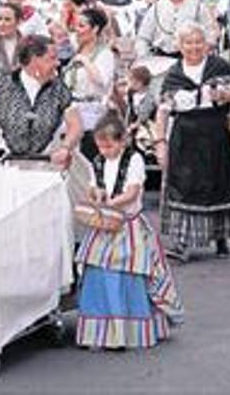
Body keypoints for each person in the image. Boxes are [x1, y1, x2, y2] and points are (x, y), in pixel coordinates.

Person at [155, 21, 230, 262]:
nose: (194, 47)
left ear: (207, 44)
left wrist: (227, 94)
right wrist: (160, 143)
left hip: (218, 135)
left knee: (218, 186)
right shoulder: (174, 75)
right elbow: (163, 111)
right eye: (188, 43)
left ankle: (220, 236)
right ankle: (181, 242)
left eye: (198, 42)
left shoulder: (220, 66)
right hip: (185, 138)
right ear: (179, 46)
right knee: (184, 189)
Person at [76, 113, 183, 350]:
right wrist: (97, 196)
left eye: (109, 146)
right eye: (101, 146)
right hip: (104, 224)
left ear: (122, 141)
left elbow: (133, 192)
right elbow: (94, 187)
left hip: (128, 225)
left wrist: (110, 203)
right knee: (97, 271)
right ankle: (97, 332)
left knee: (126, 272)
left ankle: (122, 332)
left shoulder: (133, 159)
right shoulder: (98, 161)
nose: (105, 151)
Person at [0, 34, 83, 167]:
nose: (58, 63)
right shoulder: (2, 86)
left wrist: (65, 147)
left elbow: (75, 125)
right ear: (35, 60)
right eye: (52, 58)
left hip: (46, 165)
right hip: (7, 164)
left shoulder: (60, 89)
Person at [136, 0, 216, 60]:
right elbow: (143, 38)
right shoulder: (156, 7)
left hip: (189, 60)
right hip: (159, 60)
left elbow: (210, 36)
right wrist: (146, 58)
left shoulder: (198, 7)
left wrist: (198, 57)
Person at [66, 8, 116, 129]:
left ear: (95, 29)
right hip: (71, 108)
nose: (77, 30)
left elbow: (101, 81)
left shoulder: (105, 54)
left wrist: (85, 61)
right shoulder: (76, 50)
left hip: (91, 110)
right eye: (75, 25)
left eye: (81, 26)